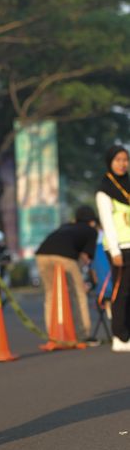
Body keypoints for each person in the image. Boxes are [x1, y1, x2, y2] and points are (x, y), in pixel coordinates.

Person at [35, 206, 98, 344]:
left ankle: (53, 334)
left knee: (51, 293)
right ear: (92, 221)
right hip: (64, 256)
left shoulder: (66, 226)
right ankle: (83, 334)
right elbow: (86, 257)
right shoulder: (91, 231)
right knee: (78, 293)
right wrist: (87, 278)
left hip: (42, 254)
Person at [96, 145, 130, 351]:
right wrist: (115, 251)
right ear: (110, 162)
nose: (122, 164)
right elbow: (107, 222)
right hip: (119, 248)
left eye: (125, 160)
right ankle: (120, 337)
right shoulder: (104, 191)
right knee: (122, 292)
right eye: (118, 160)